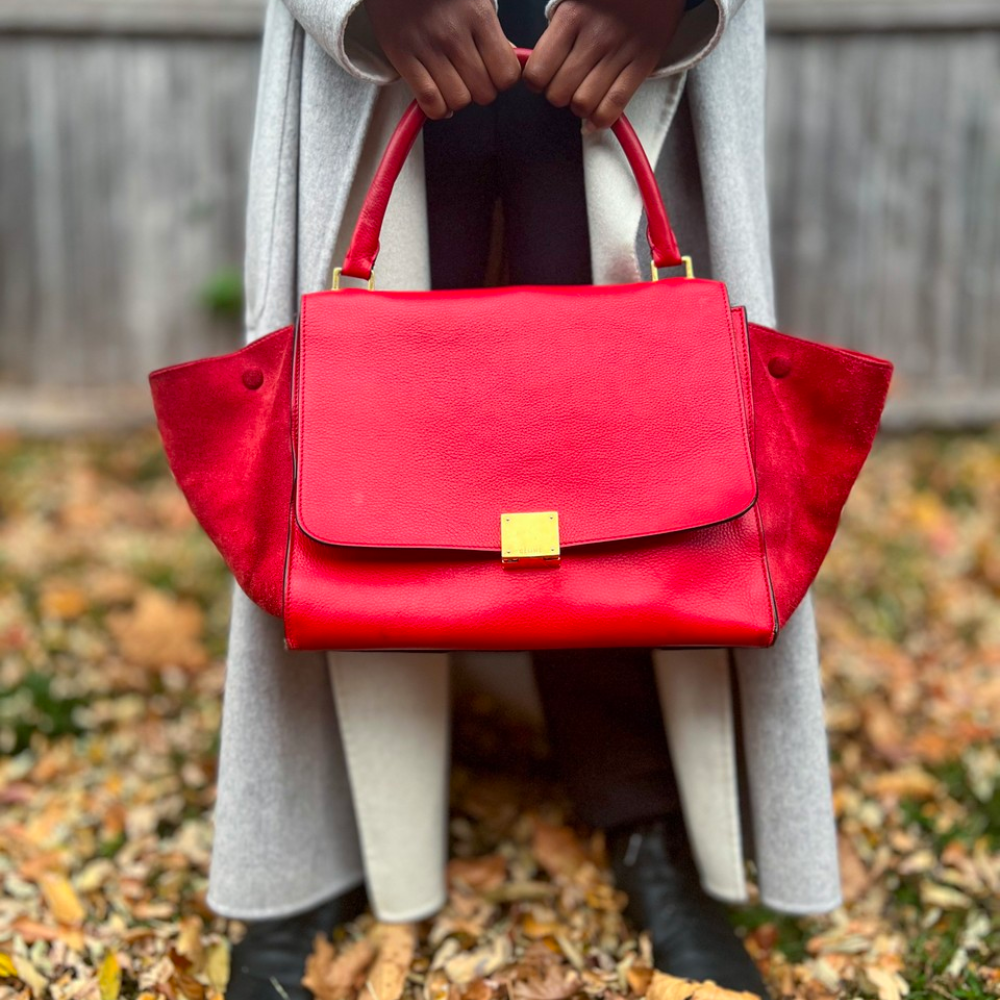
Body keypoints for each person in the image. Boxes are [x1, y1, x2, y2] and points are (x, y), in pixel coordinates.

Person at [209, 1, 844, 998]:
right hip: (387, 35)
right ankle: (311, 849)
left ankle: (651, 814)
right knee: (361, 431)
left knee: (637, 437)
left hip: (631, 27)